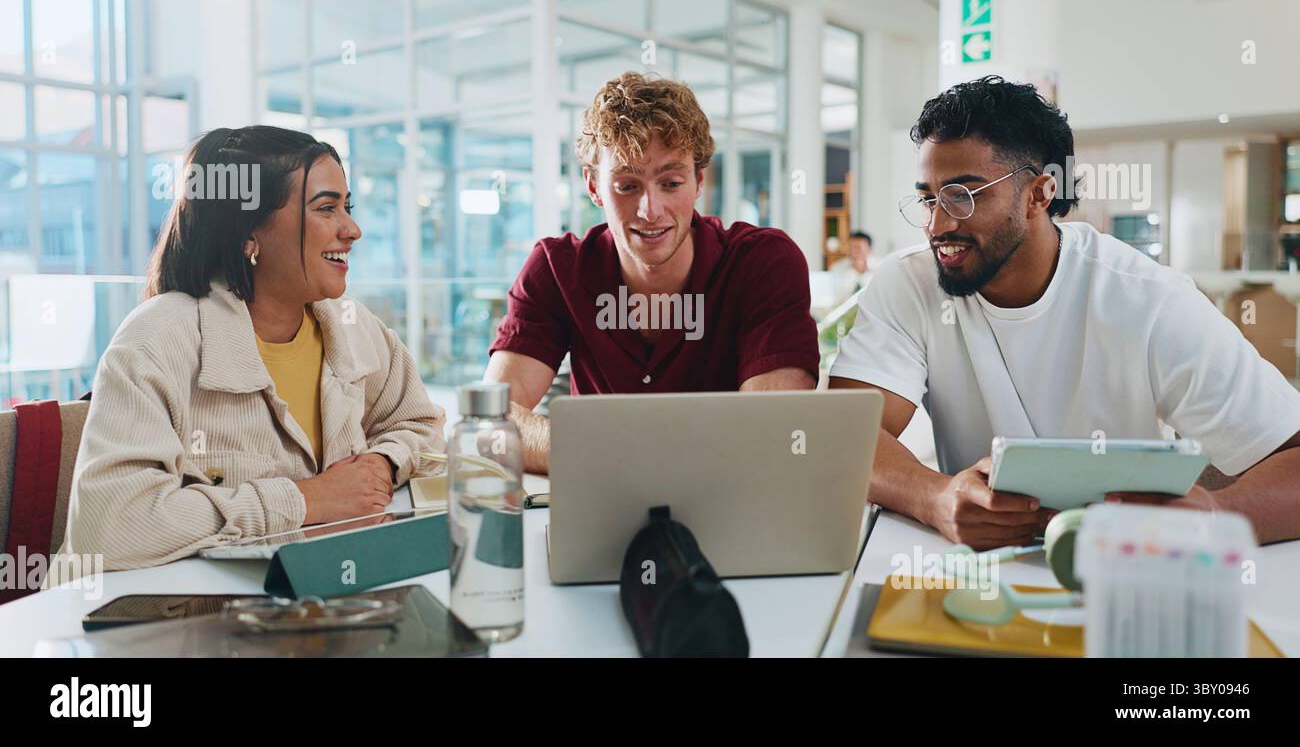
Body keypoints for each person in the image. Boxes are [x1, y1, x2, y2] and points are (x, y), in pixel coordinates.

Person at [829, 75, 1300, 548]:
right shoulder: (908, 282)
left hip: (1124, 561)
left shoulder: (1149, 298)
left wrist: (1217, 515)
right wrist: (934, 497)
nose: (938, 224)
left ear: (1040, 192)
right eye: (929, 198)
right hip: (977, 570)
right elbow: (846, 432)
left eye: (964, 196)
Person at [61, 126, 445, 570]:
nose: (353, 229)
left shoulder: (354, 327)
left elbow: (421, 424)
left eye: (347, 207)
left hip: (309, 603)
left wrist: (383, 462)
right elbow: (110, 528)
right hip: (161, 622)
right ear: (249, 235)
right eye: (326, 208)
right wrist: (305, 500)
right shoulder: (156, 339)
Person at [486, 72, 820, 473]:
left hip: (728, 509)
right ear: (593, 186)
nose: (650, 210)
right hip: (604, 508)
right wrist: (615, 456)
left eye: (671, 182)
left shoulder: (763, 263)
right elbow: (491, 420)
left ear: (699, 180)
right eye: (627, 185)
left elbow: (771, 430)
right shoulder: (556, 270)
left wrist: (611, 453)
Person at [830, 230, 876, 303]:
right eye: (851, 247)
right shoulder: (837, 268)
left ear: (869, 249)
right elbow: (834, 297)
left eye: (858, 247)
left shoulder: (879, 268)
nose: (853, 251)